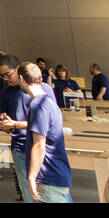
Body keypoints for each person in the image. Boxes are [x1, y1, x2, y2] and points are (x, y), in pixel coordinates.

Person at [20, 62, 73, 202]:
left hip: (48, 176)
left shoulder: (37, 105)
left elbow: (39, 145)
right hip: (58, 174)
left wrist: (31, 177)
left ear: (21, 79)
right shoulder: (50, 102)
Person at [0, 54, 31, 201]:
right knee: (27, 192)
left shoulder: (36, 89)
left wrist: (15, 124)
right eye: (2, 76)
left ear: (18, 69)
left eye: (7, 74)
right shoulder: (6, 92)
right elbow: (7, 127)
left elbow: (44, 123)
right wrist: (4, 126)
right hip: (19, 147)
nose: (5, 79)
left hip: (40, 146)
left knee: (49, 191)